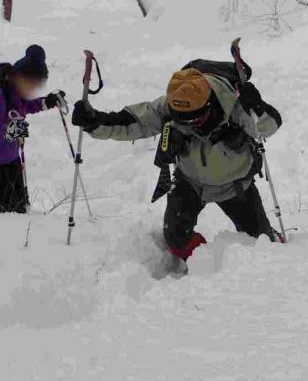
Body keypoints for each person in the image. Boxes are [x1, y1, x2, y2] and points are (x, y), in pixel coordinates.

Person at [72, 63, 282, 267]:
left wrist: (257, 107)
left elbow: (267, 128)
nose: (187, 125)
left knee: (262, 244)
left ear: (208, 105)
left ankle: (268, 238)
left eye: (194, 120)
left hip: (236, 184)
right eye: (182, 120)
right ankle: (208, 263)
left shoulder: (233, 103)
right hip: (190, 181)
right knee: (176, 238)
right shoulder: (172, 105)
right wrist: (95, 121)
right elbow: (134, 122)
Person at [0, 45, 65, 213]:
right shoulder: (1, 94)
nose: (33, 90)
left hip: (12, 162)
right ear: (19, 77)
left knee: (20, 214)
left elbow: (25, 106)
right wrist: (9, 132)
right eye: (31, 84)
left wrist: (46, 102)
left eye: (37, 86)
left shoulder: (16, 91)